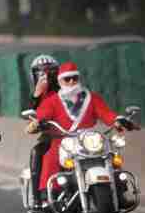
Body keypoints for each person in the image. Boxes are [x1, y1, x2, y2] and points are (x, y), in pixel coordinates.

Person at [26, 61, 136, 203]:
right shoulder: (52, 101)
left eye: (74, 78)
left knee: (111, 155)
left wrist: (117, 120)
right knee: (50, 156)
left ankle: (120, 190)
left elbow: (105, 113)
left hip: (88, 138)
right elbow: (42, 114)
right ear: (61, 81)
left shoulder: (92, 97)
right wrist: (37, 123)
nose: (71, 81)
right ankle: (48, 193)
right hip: (63, 139)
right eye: (67, 79)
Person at [27, 54, 60, 213]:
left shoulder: (67, 88)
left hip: (74, 134)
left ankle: (116, 189)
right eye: (40, 72)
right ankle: (38, 199)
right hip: (51, 135)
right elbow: (32, 111)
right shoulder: (38, 93)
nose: (46, 76)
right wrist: (38, 93)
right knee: (37, 152)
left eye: (50, 72)